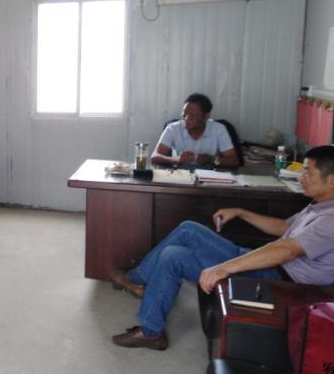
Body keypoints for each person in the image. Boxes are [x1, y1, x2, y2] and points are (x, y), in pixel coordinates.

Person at [111, 145, 334, 350]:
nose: (302, 178)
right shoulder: (319, 206)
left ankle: (136, 279)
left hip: (282, 280)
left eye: (308, 173)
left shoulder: (330, 219)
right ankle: (151, 332)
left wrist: (223, 268)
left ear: (332, 181)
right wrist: (240, 212)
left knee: (188, 230)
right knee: (173, 255)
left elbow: (288, 250)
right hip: (272, 267)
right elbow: (284, 227)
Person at [151, 93, 239, 168]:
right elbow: (155, 157)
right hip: (181, 177)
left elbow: (234, 161)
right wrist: (176, 160)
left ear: (206, 116)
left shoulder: (219, 129)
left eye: (192, 115)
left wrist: (212, 160)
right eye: (184, 114)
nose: (186, 118)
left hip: (209, 177)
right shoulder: (173, 128)